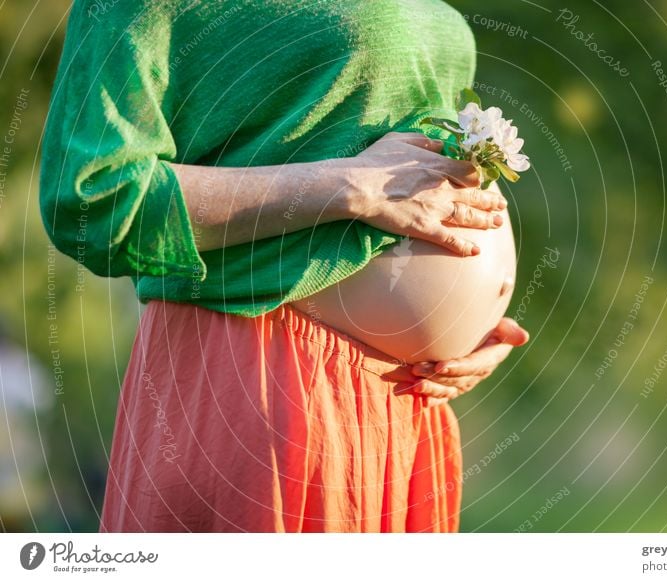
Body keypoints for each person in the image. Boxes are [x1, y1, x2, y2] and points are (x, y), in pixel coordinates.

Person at [40, 0, 528, 532]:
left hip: (411, 398)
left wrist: (471, 322)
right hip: (267, 373)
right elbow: (93, 200)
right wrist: (352, 187)